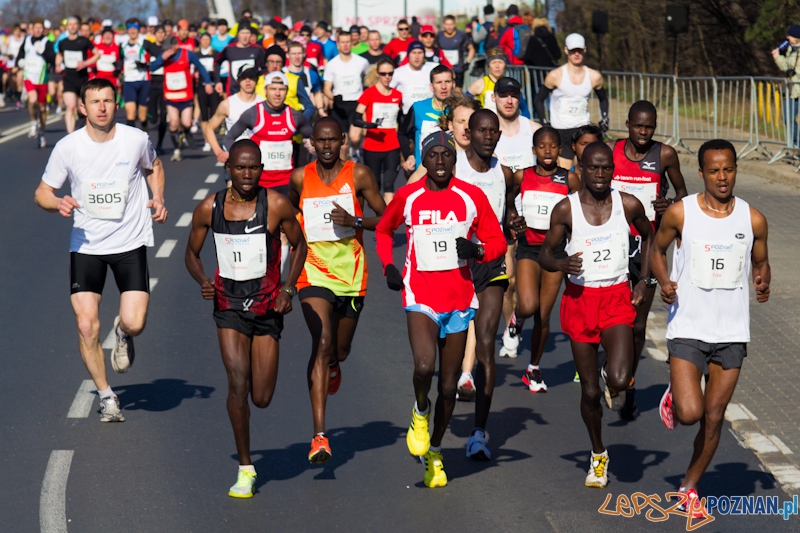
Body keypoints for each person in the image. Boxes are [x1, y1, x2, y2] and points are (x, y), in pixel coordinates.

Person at [375, 131, 507, 487]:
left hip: (460, 300)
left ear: (454, 159)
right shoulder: (409, 195)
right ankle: (420, 410)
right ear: (424, 159)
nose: (439, 162)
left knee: (449, 388)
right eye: (432, 155)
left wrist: (478, 251)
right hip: (419, 294)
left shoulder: (471, 196)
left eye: (446, 156)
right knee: (423, 366)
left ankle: (434, 450)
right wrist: (388, 265)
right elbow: (384, 231)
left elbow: (497, 241)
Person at [34, 78, 168, 423]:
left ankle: (122, 332)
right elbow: (42, 192)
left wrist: (158, 197)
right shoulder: (68, 147)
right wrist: (56, 203)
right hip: (87, 245)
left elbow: (155, 167)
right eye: (95, 102)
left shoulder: (135, 140)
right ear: (82, 107)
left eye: (108, 100)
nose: (102, 107)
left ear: (116, 104)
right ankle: (107, 395)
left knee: (135, 321)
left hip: (129, 242)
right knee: (86, 325)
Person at [651, 139, 770, 516]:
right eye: (714, 170)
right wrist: (664, 281)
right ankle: (675, 393)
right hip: (688, 324)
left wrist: (763, 281)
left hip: (732, 330)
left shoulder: (752, 219)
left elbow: (761, 263)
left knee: (715, 416)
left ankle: (689, 486)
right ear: (701, 173)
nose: (722, 177)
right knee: (690, 413)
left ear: (736, 170)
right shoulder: (680, 213)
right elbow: (657, 251)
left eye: (729, 169)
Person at [185, 139, 307, 499]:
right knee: (237, 382)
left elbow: (300, 245)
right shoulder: (209, 208)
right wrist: (204, 281)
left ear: (262, 169)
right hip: (228, 305)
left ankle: (248, 453)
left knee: (262, 397)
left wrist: (288, 289)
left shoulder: (276, 205)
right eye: (240, 167)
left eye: (254, 167)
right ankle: (246, 467)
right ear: (229, 170)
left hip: (267, 306)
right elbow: (191, 254)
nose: (248, 174)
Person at [538, 142, 652, 488]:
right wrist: (559, 263)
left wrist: (644, 280)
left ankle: (610, 368)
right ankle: (598, 453)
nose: (600, 175)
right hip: (580, 298)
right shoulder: (565, 209)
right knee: (589, 392)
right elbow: (544, 253)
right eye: (594, 168)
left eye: (606, 169)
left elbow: (651, 237)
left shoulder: (628, 204)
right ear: (582, 170)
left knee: (618, 379)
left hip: (616, 296)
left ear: (613, 171)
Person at [289, 118, 386, 463]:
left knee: (339, 351)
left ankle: (332, 365)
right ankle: (319, 436)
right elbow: (288, 216)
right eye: (321, 141)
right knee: (323, 340)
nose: (327, 146)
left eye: (333, 140)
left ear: (343, 140)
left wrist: (356, 222)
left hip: (351, 274)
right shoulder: (300, 177)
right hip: (312, 271)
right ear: (312, 143)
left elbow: (386, 218)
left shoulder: (358, 175)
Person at [606, 100, 687, 419]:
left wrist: (670, 204)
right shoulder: (612, 151)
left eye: (649, 127)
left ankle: (627, 383)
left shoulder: (664, 154)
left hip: (648, 243)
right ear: (627, 124)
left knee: (637, 324)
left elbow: (683, 193)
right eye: (638, 126)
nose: (643, 132)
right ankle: (611, 365)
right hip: (612, 240)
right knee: (611, 315)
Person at [454, 110, 515, 459]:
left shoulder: (503, 173)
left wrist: (513, 224)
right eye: (482, 130)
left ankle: (479, 432)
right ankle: (435, 404)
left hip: (490, 265)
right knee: (449, 348)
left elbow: (506, 215)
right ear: (469, 132)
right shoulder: (453, 167)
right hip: (454, 268)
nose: (489, 136)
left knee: (487, 343)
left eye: (494, 131)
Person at [505, 126, 581, 391]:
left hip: (556, 252)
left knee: (544, 316)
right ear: (533, 150)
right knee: (527, 305)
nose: (547, 151)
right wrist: (513, 218)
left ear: (561, 150)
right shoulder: (522, 175)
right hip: (528, 249)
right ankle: (516, 318)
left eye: (552, 146)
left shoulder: (569, 180)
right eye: (541, 146)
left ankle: (533, 369)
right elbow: (509, 200)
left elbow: (582, 209)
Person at [224, 71, 313, 197]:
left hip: (287, 183)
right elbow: (229, 138)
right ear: (265, 90)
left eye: (281, 89)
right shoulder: (253, 113)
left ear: (287, 91)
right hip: (259, 183)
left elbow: (314, 137)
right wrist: (240, 160)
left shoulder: (294, 116)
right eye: (273, 89)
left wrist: (313, 148)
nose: (277, 93)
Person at [534, 33, 609, 169]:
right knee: (565, 172)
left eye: (579, 50)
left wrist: (604, 118)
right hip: (562, 130)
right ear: (565, 50)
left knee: (586, 169)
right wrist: (544, 122)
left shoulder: (594, 76)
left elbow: (603, 98)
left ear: (584, 50)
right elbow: (539, 100)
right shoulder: (555, 76)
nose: (576, 54)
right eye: (572, 50)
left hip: (583, 130)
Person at [150, 36, 214, 162]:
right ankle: (177, 149)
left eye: (169, 48)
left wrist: (207, 82)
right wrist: (161, 59)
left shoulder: (187, 54)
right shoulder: (164, 56)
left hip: (185, 96)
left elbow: (200, 67)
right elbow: (152, 68)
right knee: (173, 123)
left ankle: (187, 132)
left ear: (176, 46)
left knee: (186, 123)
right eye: (165, 49)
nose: (167, 51)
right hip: (170, 96)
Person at [355, 57, 403, 203]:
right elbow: (355, 119)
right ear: (377, 74)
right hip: (372, 146)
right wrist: (370, 125)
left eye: (390, 73)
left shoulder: (397, 95)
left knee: (389, 184)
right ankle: (379, 218)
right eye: (383, 74)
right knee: (375, 184)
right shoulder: (369, 94)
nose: (387, 77)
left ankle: (388, 221)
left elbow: (401, 120)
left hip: (392, 146)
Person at [323, 31, 369, 160]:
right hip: (339, 104)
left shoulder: (361, 62)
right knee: (343, 144)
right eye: (342, 42)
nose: (345, 45)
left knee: (355, 138)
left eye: (348, 42)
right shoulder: (332, 64)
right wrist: (332, 97)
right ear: (338, 44)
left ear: (352, 42)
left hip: (356, 103)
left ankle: (356, 152)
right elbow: (326, 88)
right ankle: (344, 168)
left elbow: (369, 80)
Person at [399, 64, 455, 171]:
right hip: (423, 170)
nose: (443, 87)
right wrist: (408, 155)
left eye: (447, 82)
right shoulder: (417, 107)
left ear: (453, 84)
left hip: (452, 170)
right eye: (439, 82)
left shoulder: (460, 109)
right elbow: (402, 133)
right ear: (431, 86)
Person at [204, 67, 265, 164]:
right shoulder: (227, 104)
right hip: (234, 158)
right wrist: (219, 152)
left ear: (257, 80)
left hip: (258, 157)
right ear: (238, 81)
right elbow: (209, 128)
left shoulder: (263, 103)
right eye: (244, 78)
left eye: (251, 77)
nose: (248, 81)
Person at [14, 18, 56, 148]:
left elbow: (53, 59)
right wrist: (19, 62)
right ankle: (33, 124)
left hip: (42, 78)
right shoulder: (26, 41)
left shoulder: (47, 42)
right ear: (32, 29)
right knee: (32, 100)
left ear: (43, 29)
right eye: (35, 27)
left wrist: (43, 52)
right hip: (29, 76)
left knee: (42, 108)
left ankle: (42, 133)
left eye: (40, 28)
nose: (37, 30)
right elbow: (20, 53)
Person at [55, 16, 100, 133]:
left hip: (82, 78)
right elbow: (60, 55)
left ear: (78, 26)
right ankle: (70, 135)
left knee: (82, 109)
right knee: (70, 106)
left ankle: (82, 130)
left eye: (75, 24)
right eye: (70, 24)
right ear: (67, 27)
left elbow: (97, 54)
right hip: (68, 78)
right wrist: (57, 65)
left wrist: (85, 63)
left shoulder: (84, 41)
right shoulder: (62, 42)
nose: (73, 26)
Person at [120, 20, 160, 131]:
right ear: (127, 30)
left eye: (135, 28)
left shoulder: (145, 43)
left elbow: (159, 55)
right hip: (129, 82)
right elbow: (120, 60)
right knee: (131, 113)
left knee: (142, 116)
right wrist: (117, 66)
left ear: (138, 29)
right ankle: (131, 141)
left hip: (144, 81)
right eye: (130, 28)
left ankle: (144, 132)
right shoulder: (122, 45)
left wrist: (148, 65)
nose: (132, 31)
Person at [214, 22, 266, 96]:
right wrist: (218, 81)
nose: (245, 36)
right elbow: (217, 63)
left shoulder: (257, 49)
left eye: (247, 33)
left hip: (253, 92)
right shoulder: (229, 49)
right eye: (242, 33)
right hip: (233, 91)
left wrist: (256, 76)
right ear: (238, 34)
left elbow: (265, 68)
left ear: (251, 35)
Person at [772, 24, 800, 148]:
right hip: (793, 90)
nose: (787, 37)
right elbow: (786, 67)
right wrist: (777, 56)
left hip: (798, 87)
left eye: (790, 35)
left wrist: (794, 72)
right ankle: (796, 144)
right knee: (787, 117)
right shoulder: (790, 49)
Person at [391, 40, 435, 116]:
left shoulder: (432, 72)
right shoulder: (398, 72)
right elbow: (388, 92)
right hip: (406, 117)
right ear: (408, 55)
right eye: (414, 53)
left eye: (420, 53)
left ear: (424, 55)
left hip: (428, 116)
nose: (417, 56)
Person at [196, 32, 221, 152]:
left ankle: (212, 137)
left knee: (214, 113)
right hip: (201, 86)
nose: (205, 42)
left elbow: (217, 70)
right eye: (203, 39)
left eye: (207, 40)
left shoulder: (215, 53)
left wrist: (217, 83)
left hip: (214, 86)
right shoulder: (196, 54)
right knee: (204, 114)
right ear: (200, 41)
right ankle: (207, 141)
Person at [146, 25, 168, 153]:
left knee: (163, 116)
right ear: (155, 34)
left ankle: (159, 144)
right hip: (151, 83)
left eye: (162, 33)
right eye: (158, 33)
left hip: (164, 84)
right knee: (152, 117)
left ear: (165, 34)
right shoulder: (149, 47)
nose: (160, 35)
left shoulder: (168, 49)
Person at [437, 15, 474, 88]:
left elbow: (471, 49)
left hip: (458, 69)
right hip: (443, 69)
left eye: (451, 24)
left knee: (457, 93)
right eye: (447, 24)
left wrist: (468, 61)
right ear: (443, 25)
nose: (449, 27)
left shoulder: (461, 35)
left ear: (455, 24)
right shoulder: (439, 35)